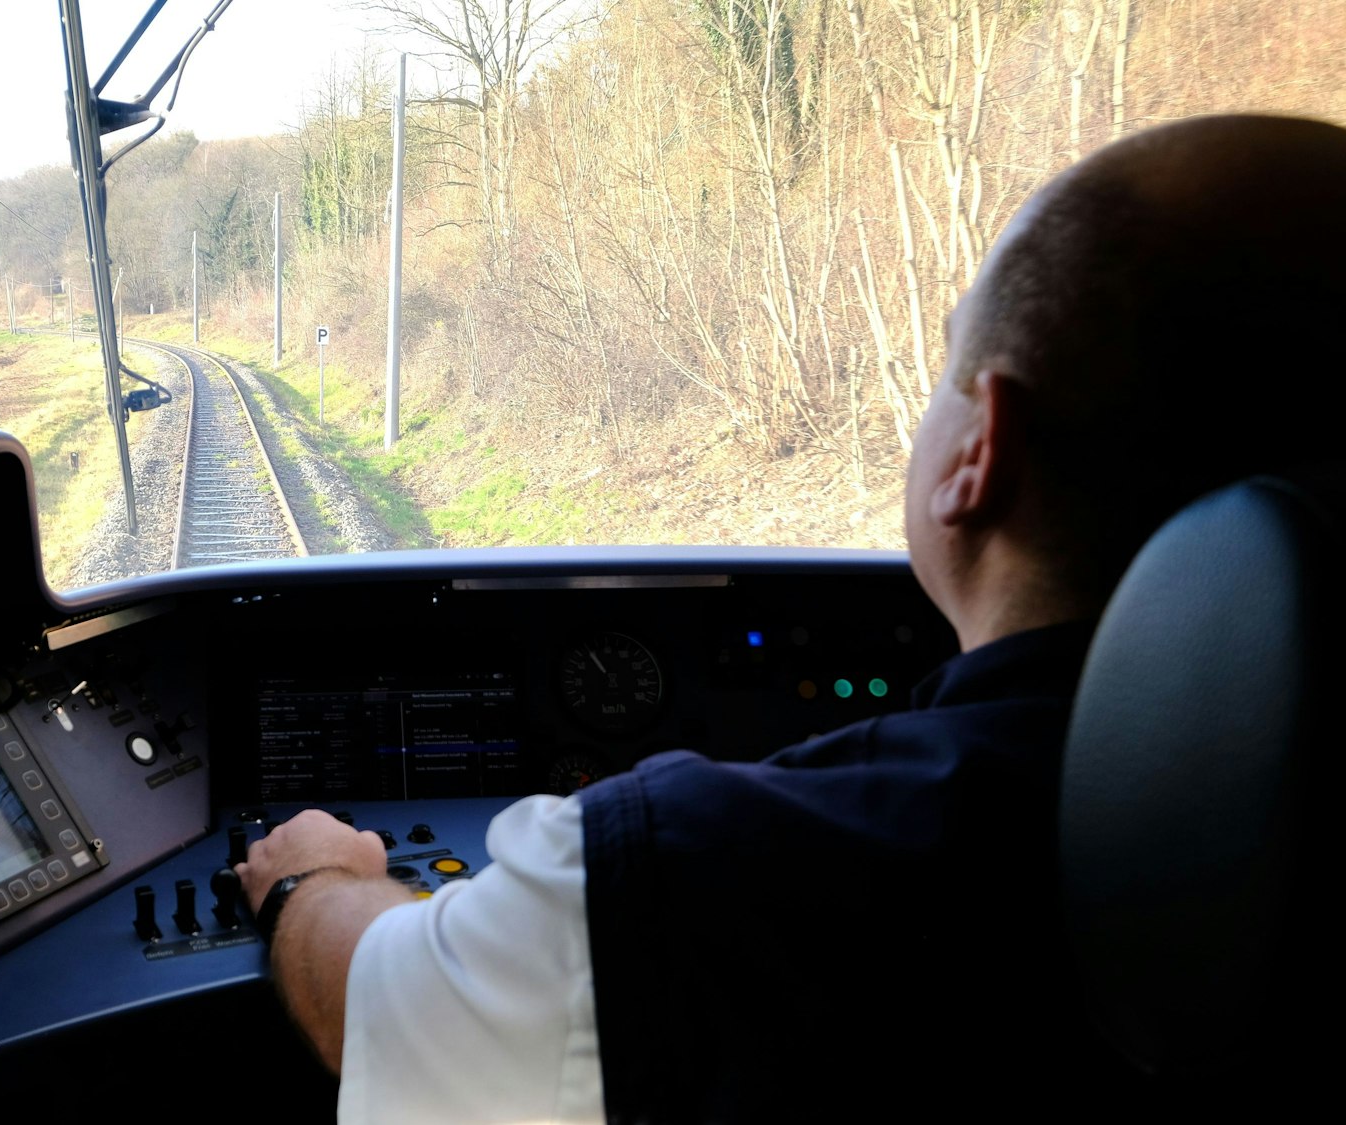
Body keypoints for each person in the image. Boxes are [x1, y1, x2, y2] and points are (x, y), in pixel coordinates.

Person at [235, 114, 1346, 1123]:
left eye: (947, 370)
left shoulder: (704, 874)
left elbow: (374, 1009)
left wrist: (315, 877)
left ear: (978, 450)